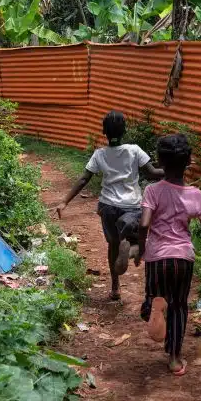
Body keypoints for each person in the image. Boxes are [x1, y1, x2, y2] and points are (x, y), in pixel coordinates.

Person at [57, 111, 163, 300]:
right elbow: (153, 172)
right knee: (136, 240)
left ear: (104, 131)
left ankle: (115, 287)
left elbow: (83, 179)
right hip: (131, 205)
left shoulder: (99, 154)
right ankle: (130, 251)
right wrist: (174, 169)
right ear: (124, 130)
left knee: (112, 243)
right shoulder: (134, 150)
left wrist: (65, 201)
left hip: (108, 206)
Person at [135, 133, 201, 376]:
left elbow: (144, 224)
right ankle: (175, 359)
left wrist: (140, 248)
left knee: (155, 292)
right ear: (188, 161)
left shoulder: (152, 190)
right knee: (179, 305)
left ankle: (152, 304)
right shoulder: (197, 195)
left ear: (159, 161)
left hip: (157, 257)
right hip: (183, 257)